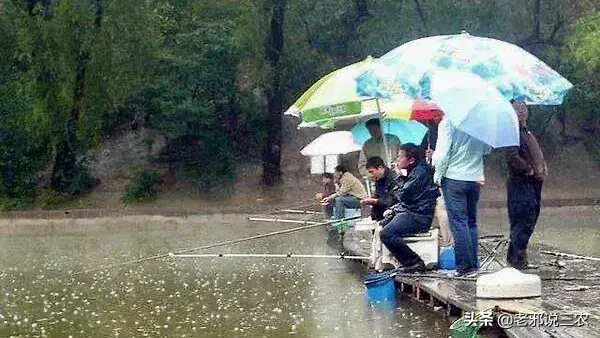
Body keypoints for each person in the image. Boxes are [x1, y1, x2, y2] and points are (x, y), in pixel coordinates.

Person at [432, 117, 492, 277]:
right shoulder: (481, 121)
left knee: (458, 223)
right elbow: (487, 150)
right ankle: (473, 265)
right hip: (475, 178)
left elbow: (441, 156)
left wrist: (437, 175)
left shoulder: (448, 122)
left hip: (454, 178)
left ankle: (464, 267)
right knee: (471, 222)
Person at [378, 143, 440, 272]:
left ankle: (414, 262)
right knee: (383, 223)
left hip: (418, 216)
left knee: (386, 234)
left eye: (400, 157)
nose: (397, 160)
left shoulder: (420, 172)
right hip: (411, 211)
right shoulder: (417, 170)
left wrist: (399, 175)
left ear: (411, 160)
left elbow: (402, 194)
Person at [504, 101, 547, 270]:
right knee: (522, 219)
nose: (522, 113)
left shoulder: (525, 130)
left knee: (529, 218)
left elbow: (533, 152)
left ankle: (517, 256)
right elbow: (512, 157)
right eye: (519, 111)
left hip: (533, 183)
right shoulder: (512, 132)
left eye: (523, 110)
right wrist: (529, 169)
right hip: (520, 183)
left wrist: (542, 166)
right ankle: (516, 260)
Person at [360, 156, 398, 221]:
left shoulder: (394, 179)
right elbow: (378, 194)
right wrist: (372, 199)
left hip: (392, 213)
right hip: (379, 213)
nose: (372, 175)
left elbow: (394, 201)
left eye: (372, 172)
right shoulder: (379, 179)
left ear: (380, 168)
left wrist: (376, 201)